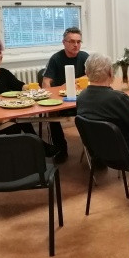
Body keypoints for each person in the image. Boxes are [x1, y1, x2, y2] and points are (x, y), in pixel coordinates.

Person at [76, 53, 129, 199]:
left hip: (99, 154)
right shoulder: (118, 99)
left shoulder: (81, 97)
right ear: (110, 72)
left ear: (86, 73)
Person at [0, 40, 58, 155]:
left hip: (5, 111)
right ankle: (39, 147)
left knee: (21, 117)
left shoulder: (4, 72)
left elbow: (19, 85)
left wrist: (30, 87)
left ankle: (36, 148)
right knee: (20, 120)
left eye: (0, 53)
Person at [42, 27, 89, 163]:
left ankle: (94, 151)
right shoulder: (56, 58)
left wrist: (74, 81)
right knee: (52, 114)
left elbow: (92, 75)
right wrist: (51, 97)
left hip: (81, 99)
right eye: (72, 41)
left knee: (95, 112)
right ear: (64, 42)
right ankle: (61, 149)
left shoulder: (84, 56)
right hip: (61, 99)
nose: (76, 45)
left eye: (79, 42)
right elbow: (46, 81)